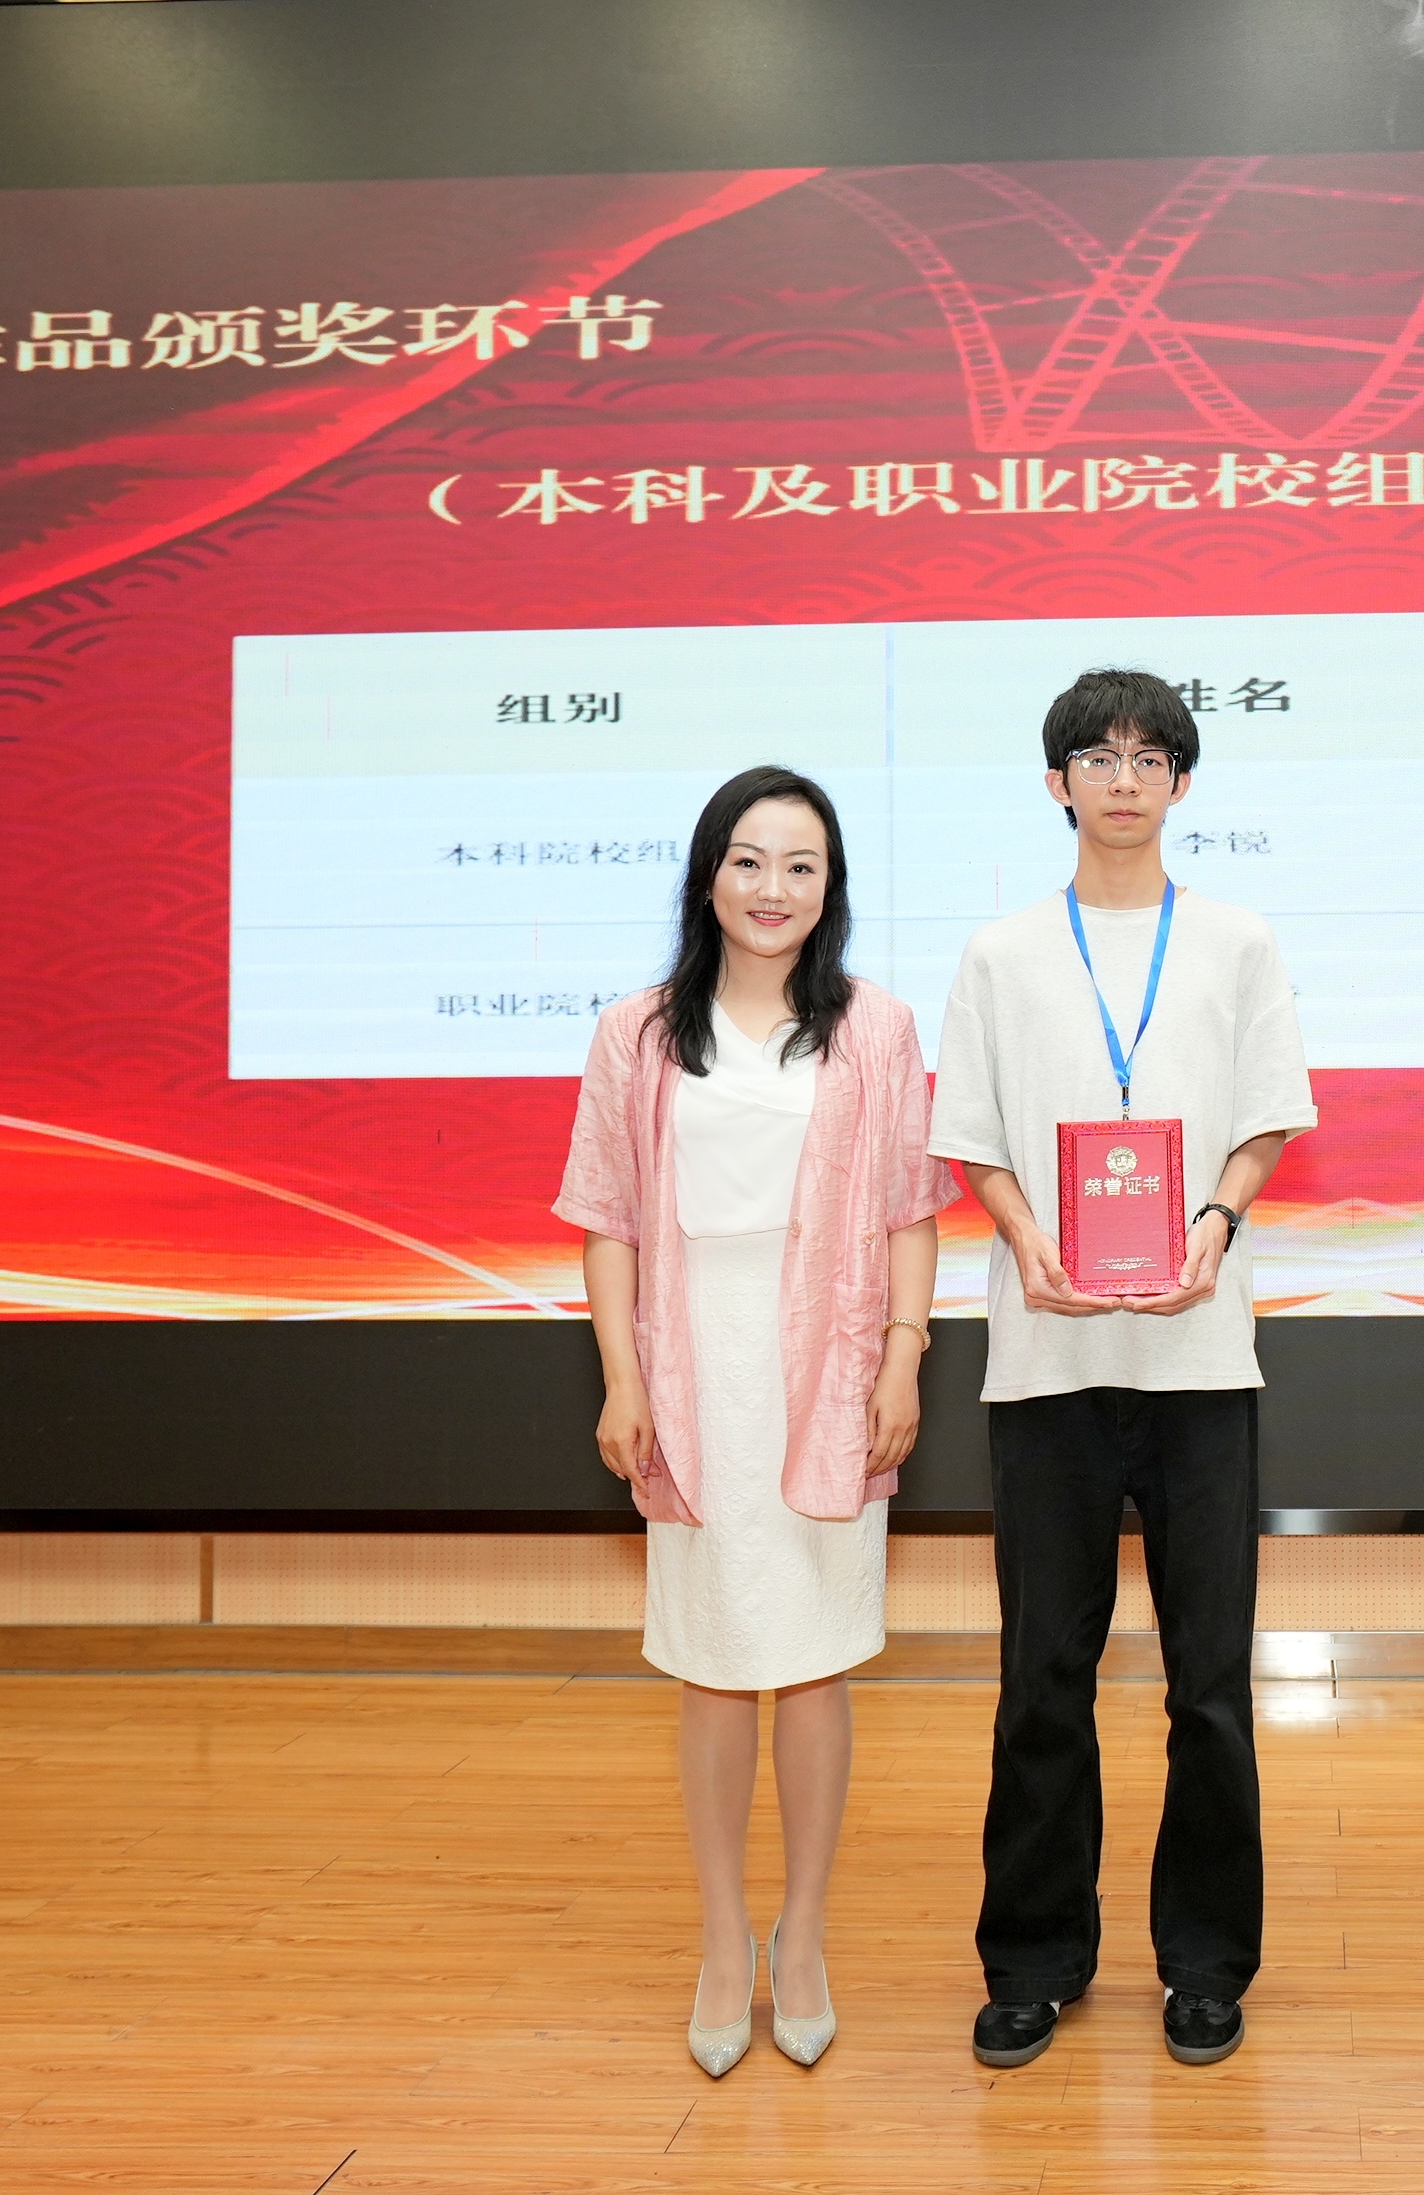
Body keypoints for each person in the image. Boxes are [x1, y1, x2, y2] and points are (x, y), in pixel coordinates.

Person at [931, 667, 1316, 2072]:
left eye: (1151, 757)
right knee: (1045, 1673)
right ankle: (1034, 1959)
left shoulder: (1236, 942)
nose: (1124, 778)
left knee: (1209, 1682)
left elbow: (1267, 1119)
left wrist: (1215, 1220)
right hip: (1048, 1361)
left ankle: (1206, 1963)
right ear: (1058, 783)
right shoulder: (1000, 954)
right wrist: (1024, 1236)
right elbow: (973, 1137)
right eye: (1097, 756)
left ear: (1182, 783)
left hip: (1201, 1360)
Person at [554, 765, 955, 2079]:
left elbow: (909, 1211)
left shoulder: (875, 1029)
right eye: (749, 860)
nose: (773, 888)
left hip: (828, 1361)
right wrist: (621, 1379)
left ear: (831, 888)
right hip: (691, 1362)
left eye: (802, 866)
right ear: (708, 875)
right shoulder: (635, 1033)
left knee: (818, 1656)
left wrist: (903, 1360)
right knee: (714, 1657)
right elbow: (608, 1219)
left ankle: (809, 1936)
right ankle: (725, 1940)